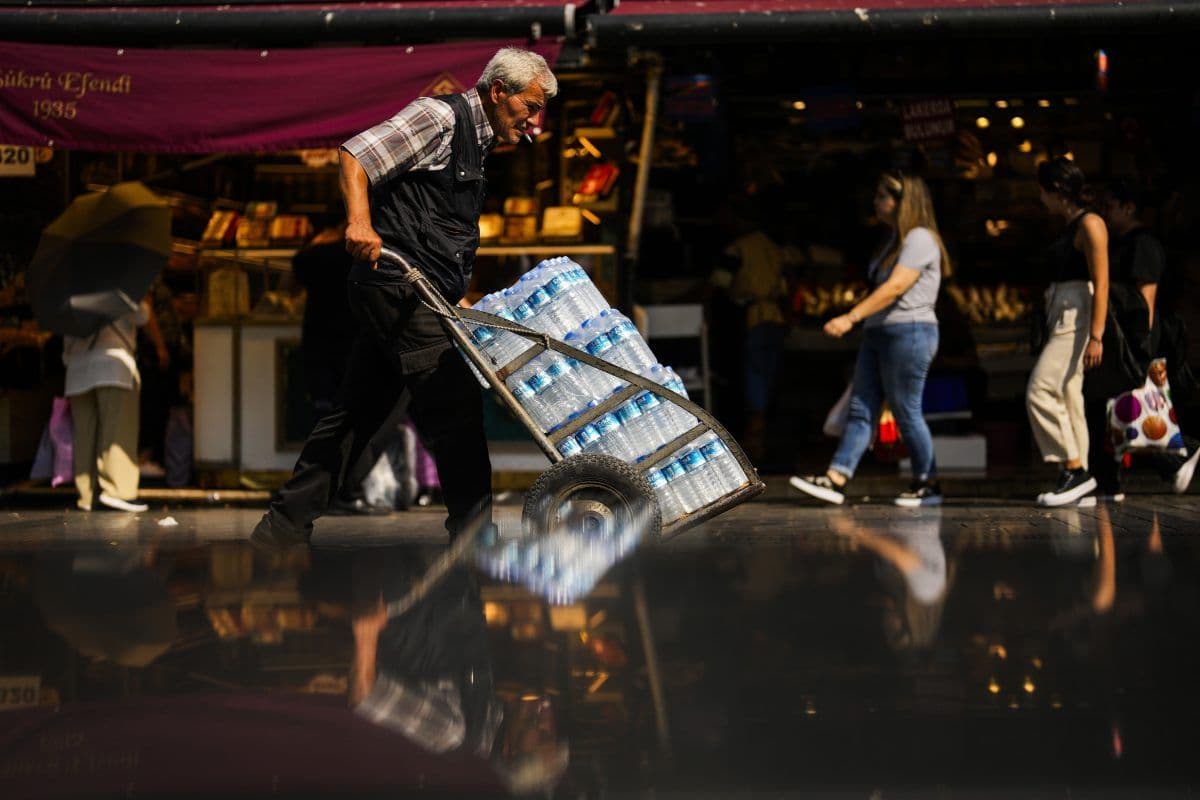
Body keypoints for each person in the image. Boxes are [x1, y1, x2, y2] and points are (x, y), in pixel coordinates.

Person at [251, 47, 557, 548]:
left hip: (419, 291)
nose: (533, 121)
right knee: (454, 406)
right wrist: (358, 221)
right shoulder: (438, 117)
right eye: (530, 106)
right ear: (499, 90)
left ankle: (280, 529)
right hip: (398, 287)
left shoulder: (478, 142)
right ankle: (474, 536)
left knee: (356, 414)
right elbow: (356, 153)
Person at [790, 172, 949, 507]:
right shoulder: (894, 240)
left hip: (910, 331)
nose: (876, 203)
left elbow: (895, 287)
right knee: (862, 407)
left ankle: (927, 481)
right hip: (880, 332)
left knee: (906, 409)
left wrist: (850, 317)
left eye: (882, 196)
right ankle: (837, 477)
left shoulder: (920, 238)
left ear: (902, 201)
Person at [1087, 179, 1200, 499]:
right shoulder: (1122, 242)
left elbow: (1146, 300)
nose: (1105, 213)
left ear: (1129, 207)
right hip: (1124, 340)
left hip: (1138, 341)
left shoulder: (1143, 245)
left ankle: (1179, 454)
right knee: (1117, 408)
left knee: (1137, 407)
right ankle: (1109, 479)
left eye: (1110, 206)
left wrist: (1141, 349)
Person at [1026, 157, 1109, 507]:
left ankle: (1074, 469)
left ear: (1056, 191)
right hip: (1063, 311)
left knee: (1040, 390)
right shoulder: (1071, 224)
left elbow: (1102, 281)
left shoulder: (1090, 224)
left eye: (1043, 191)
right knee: (1068, 395)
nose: (1041, 198)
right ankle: (1081, 476)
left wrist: (1096, 335)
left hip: (1076, 316)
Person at [63, 300, 153, 513]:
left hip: (77, 369)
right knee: (117, 431)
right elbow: (143, 316)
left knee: (84, 435)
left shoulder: (69, 295)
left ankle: (87, 494)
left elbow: (65, 342)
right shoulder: (119, 290)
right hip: (113, 365)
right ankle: (117, 491)